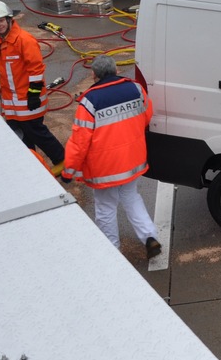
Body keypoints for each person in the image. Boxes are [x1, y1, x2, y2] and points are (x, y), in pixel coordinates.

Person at [62, 55, 162, 259]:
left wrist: (68, 170)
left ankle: (112, 251)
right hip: (132, 160)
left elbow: (79, 142)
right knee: (131, 197)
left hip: (104, 169)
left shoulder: (89, 102)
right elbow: (146, 115)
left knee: (105, 207)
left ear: (94, 75)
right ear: (116, 70)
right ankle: (150, 237)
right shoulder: (135, 89)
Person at [0, 0, 65, 172]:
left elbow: (36, 68)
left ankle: (61, 160)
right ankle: (32, 166)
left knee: (36, 131)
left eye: (1, 20)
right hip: (10, 99)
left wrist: (34, 94)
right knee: (19, 134)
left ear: (9, 19)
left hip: (27, 99)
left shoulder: (24, 40)